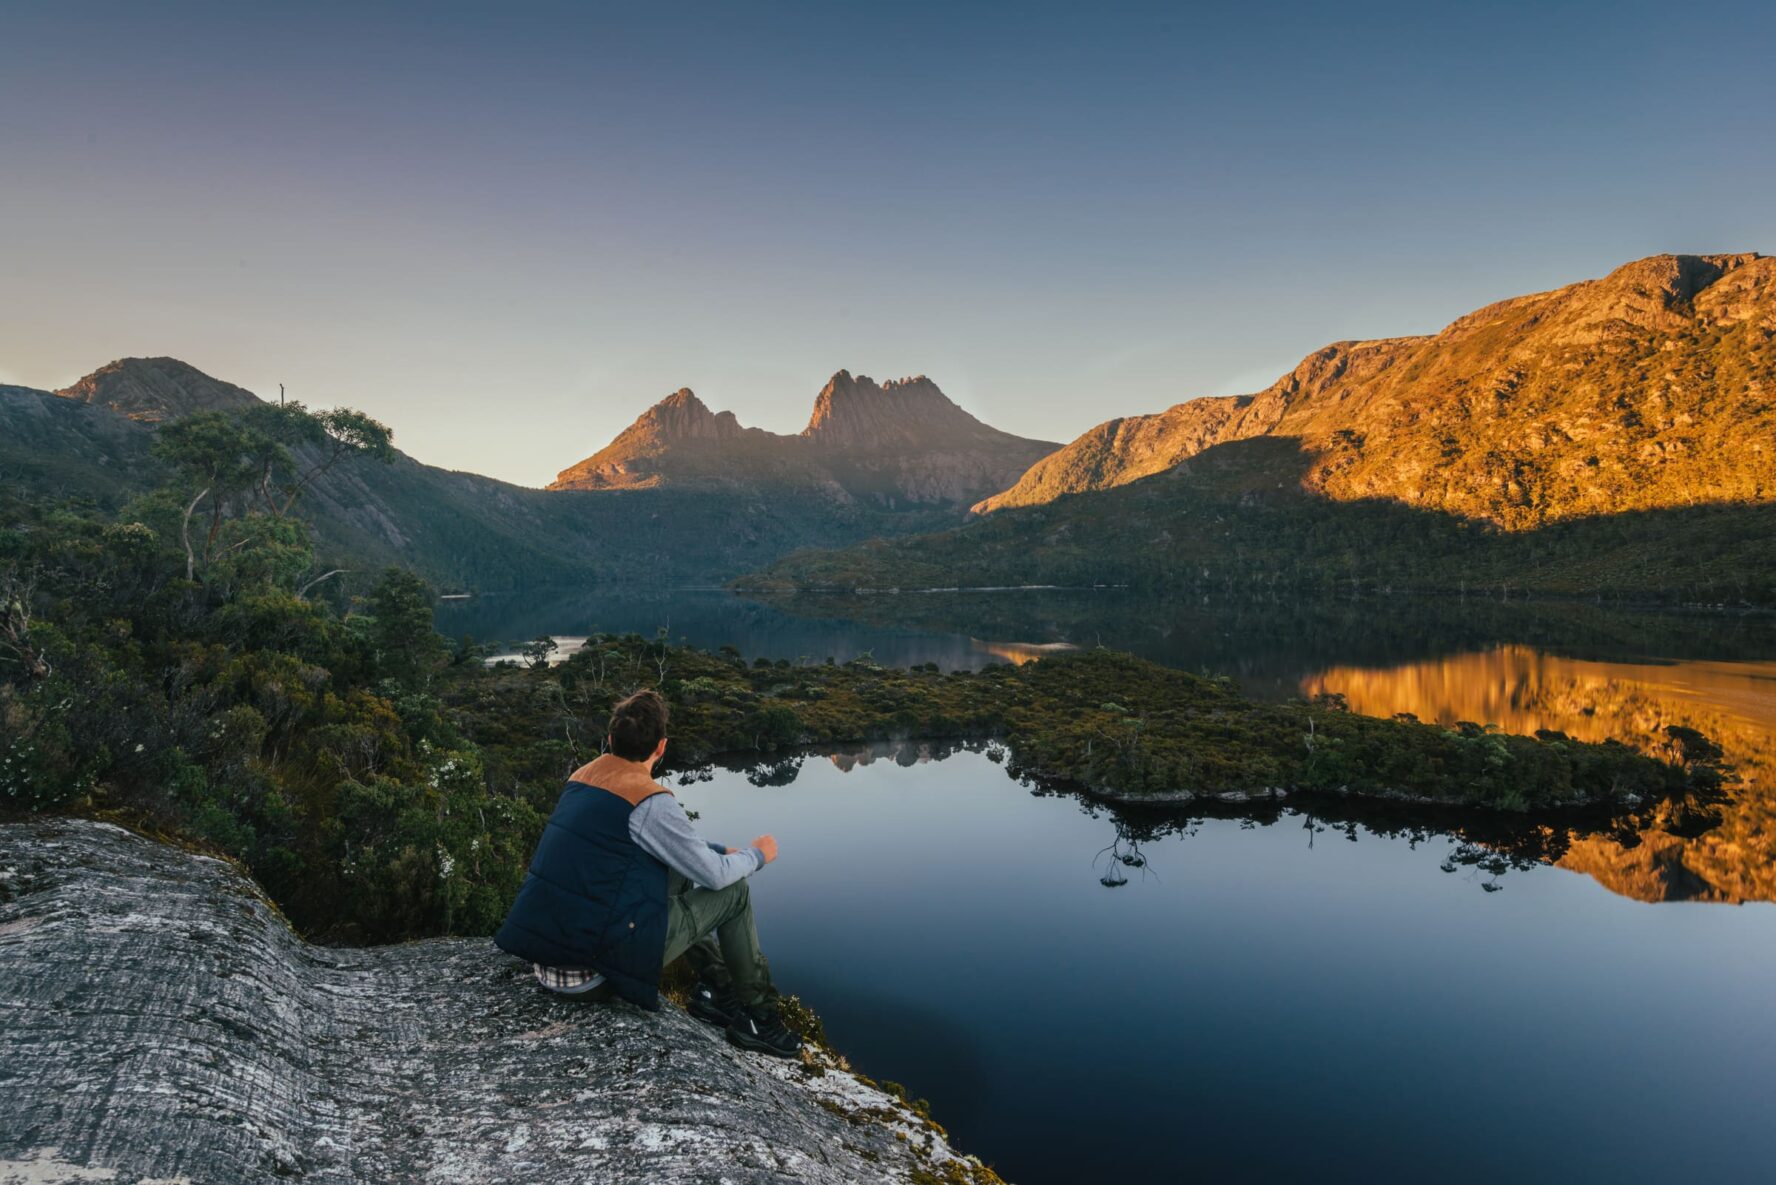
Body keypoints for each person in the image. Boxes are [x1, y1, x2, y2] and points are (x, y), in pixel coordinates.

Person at [493, 688, 801, 1057]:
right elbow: (717, 877)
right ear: (661, 748)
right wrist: (757, 855)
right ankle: (759, 1020)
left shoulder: (583, 776)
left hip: (549, 962)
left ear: (610, 740)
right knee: (733, 892)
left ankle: (716, 992)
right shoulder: (650, 799)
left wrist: (717, 850)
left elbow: (664, 845)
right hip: (592, 975)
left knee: (677, 869)